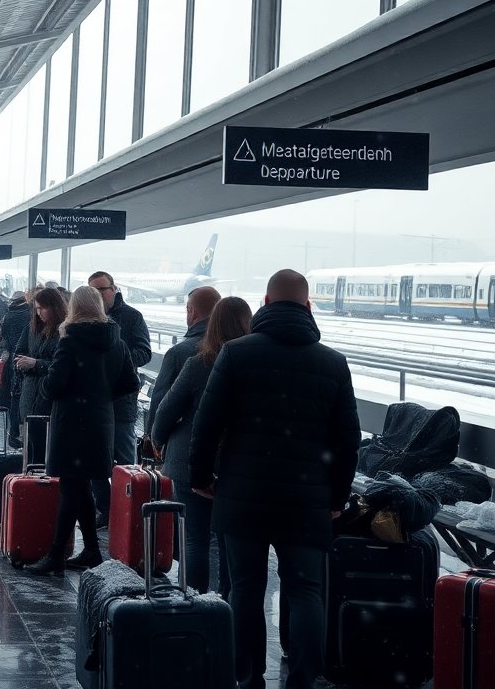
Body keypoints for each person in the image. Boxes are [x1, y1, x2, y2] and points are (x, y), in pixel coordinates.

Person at [188, 270, 360, 689]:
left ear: (264, 303)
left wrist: (201, 477)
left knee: (245, 590)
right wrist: (336, 498)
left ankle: (248, 679)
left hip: (243, 495)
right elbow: (348, 441)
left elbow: (206, 425)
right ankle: (303, 679)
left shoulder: (236, 354)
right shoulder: (332, 363)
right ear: (308, 306)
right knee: (305, 591)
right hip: (307, 501)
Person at [26, 285, 139, 575]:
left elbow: (53, 385)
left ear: (74, 307)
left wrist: (49, 386)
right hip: (101, 424)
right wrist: (101, 396)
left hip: (71, 424)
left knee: (69, 488)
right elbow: (131, 382)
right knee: (82, 486)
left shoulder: (70, 341)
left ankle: (55, 555)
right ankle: (92, 550)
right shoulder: (117, 341)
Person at [149, 295, 251, 594]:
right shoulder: (255, 364)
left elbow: (165, 411)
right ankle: (227, 601)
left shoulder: (197, 362)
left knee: (196, 538)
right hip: (238, 464)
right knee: (228, 539)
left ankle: (196, 599)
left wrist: (157, 440)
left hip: (189, 460)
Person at [86, 271, 151, 528]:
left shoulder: (132, 317)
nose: (97, 296)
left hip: (122, 402)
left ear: (114, 289)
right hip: (93, 403)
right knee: (94, 460)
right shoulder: (85, 319)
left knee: (124, 460)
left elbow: (144, 352)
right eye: (92, 291)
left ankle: (128, 512)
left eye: (101, 290)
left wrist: (118, 363)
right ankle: (105, 509)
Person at [144, 286, 221, 440]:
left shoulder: (179, 353)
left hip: (185, 441)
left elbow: (161, 403)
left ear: (191, 312)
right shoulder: (235, 347)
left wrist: (152, 439)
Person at [13, 287, 67, 465]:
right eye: (36, 309)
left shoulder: (64, 331)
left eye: (42, 308)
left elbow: (63, 366)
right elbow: (19, 352)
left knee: (47, 449)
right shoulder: (31, 329)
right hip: (30, 395)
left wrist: (36, 364)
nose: (38, 313)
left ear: (54, 307)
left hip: (49, 398)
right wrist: (21, 364)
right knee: (31, 447)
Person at [0, 289, 33, 447]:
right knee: (20, 396)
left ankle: (14, 431)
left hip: (13, 358)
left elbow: (3, 338)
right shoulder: (29, 315)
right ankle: (18, 431)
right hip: (26, 358)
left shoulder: (9, 315)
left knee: (14, 395)